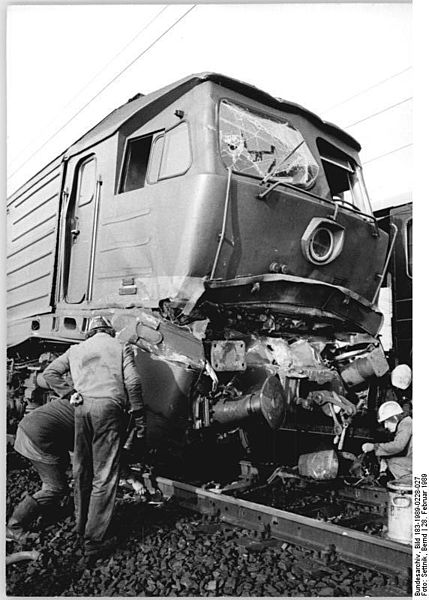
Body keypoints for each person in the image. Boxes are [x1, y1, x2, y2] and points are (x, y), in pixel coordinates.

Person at [43, 315, 146, 563]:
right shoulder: (121, 347)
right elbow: (132, 381)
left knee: (82, 469)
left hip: (82, 408)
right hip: (108, 410)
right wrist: (139, 414)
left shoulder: (75, 349)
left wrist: (69, 393)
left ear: (89, 332)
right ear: (109, 331)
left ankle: (81, 528)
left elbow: (50, 373)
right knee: (105, 473)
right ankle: (94, 541)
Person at [6, 397, 75, 542]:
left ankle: (49, 511)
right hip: (36, 439)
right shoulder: (99, 416)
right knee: (55, 488)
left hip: (28, 428)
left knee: (57, 472)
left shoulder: (83, 397)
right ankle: (14, 527)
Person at [362, 400, 412, 481]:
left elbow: (398, 446)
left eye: (386, 421)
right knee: (391, 461)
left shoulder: (406, 423)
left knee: (394, 463)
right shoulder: (404, 424)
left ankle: (412, 488)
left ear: (395, 417)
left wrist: (374, 447)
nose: (385, 426)